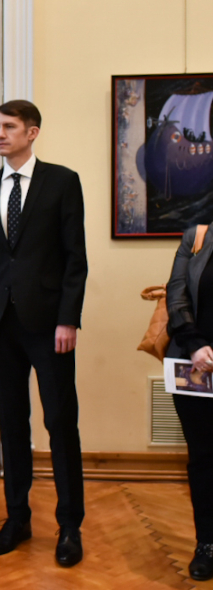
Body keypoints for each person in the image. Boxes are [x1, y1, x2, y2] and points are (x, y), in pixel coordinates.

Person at [0, 100, 88, 567]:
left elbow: (75, 258)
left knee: (60, 423)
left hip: (49, 325)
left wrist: (68, 319)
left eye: (9, 126)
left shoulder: (62, 182)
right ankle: (17, 518)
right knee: (12, 425)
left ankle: (69, 525)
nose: (0, 133)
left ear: (32, 132)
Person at [165, 224, 213, 581]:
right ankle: (207, 544)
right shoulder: (196, 238)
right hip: (197, 367)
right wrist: (195, 345)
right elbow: (176, 294)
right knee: (203, 459)